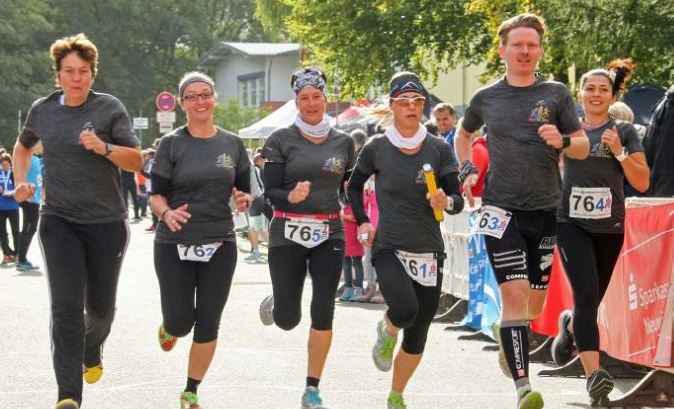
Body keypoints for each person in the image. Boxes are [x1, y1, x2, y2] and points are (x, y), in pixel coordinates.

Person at [454, 13, 589, 409]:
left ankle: (516, 332)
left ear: (539, 50)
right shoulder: (486, 98)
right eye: (518, 45)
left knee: (533, 306)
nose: (525, 51)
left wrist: (562, 139)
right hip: (500, 211)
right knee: (515, 300)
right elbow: (464, 135)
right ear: (503, 51)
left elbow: (582, 145)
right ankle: (523, 389)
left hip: (546, 210)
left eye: (531, 45)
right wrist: (466, 168)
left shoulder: (556, 94)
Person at [12, 33, 142, 409]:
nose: (76, 78)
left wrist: (104, 147)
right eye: (68, 71)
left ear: (92, 73)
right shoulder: (43, 110)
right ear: (58, 75)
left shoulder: (109, 109)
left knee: (101, 310)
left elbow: (136, 160)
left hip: (106, 222)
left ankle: (92, 346)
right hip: (59, 220)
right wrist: (23, 181)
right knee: (65, 308)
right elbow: (22, 147)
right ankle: (69, 395)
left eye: (83, 71)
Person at [347, 71, 465, 409]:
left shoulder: (439, 148)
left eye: (417, 102)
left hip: (429, 248)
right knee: (404, 309)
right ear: (393, 106)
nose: (412, 108)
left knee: (418, 332)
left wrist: (447, 201)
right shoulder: (377, 147)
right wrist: (364, 221)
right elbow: (354, 187)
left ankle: (396, 394)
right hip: (389, 245)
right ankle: (386, 330)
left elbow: (456, 197)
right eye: (404, 102)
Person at [151, 71, 251, 409]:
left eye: (205, 94)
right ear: (182, 104)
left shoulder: (233, 144)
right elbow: (156, 196)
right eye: (192, 96)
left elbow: (244, 190)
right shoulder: (171, 144)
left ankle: (191, 390)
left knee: (208, 321)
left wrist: (243, 200)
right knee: (181, 322)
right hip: (173, 242)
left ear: (214, 98)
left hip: (220, 242)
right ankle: (169, 328)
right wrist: (166, 214)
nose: (200, 101)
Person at [553, 59, 649, 407]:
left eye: (603, 90)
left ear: (612, 95)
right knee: (587, 294)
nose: (595, 95)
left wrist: (620, 152)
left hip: (610, 227)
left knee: (590, 303)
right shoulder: (568, 131)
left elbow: (641, 181)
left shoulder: (625, 131)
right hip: (570, 223)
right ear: (580, 94)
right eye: (589, 89)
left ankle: (569, 324)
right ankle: (595, 380)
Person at [258, 66, 355, 409]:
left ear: (325, 100)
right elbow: (269, 191)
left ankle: (312, 387)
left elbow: (350, 187)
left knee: (323, 307)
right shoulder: (280, 140)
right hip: (288, 230)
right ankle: (277, 302)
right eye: (304, 98)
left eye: (317, 97)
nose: (311, 103)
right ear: (296, 101)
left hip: (330, 230)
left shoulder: (344, 142)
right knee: (288, 320)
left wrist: (361, 213)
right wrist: (290, 197)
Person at [16, 142, 43, 272]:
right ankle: (21, 260)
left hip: (36, 199)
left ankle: (21, 258)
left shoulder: (37, 159)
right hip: (29, 199)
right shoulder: (26, 158)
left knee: (31, 229)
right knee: (28, 229)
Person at [244, 153, 270, 263]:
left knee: (256, 228)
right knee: (255, 228)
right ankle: (256, 252)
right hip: (256, 199)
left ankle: (257, 252)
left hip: (255, 199)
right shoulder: (248, 166)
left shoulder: (246, 167)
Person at [0, 153, 19, 266]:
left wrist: (14, 191)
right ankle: (6, 254)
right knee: (2, 233)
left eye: (7, 165)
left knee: (15, 232)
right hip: (1, 207)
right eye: (3, 165)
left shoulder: (14, 173)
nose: (5, 167)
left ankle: (17, 254)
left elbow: (19, 186)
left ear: (10, 164)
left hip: (13, 206)